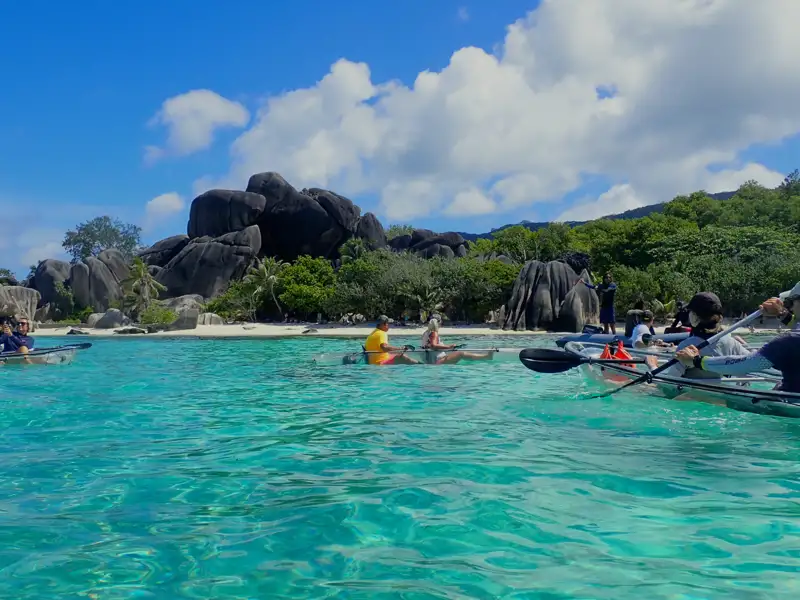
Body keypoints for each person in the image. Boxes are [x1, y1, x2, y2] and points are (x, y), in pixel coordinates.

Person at [675, 297, 800, 392]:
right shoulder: (732, 342)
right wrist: (782, 314)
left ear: (694, 317)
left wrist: (697, 361)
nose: (791, 307)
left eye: (794, 301)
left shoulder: (788, 341)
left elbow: (750, 363)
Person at [666, 292, 748, 378]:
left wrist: (655, 366)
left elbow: (670, 378)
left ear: (694, 317)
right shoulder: (732, 343)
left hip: (692, 387)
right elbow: (751, 364)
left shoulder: (686, 346)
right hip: (724, 386)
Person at [420, 318, 494, 364]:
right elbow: (433, 345)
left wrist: (447, 347)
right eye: (440, 323)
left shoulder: (425, 333)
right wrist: (449, 346)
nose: (441, 325)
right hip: (439, 361)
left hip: (430, 361)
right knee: (461, 354)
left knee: (458, 354)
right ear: (437, 324)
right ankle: (486, 357)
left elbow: (429, 346)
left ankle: (483, 357)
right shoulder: (434, 333)